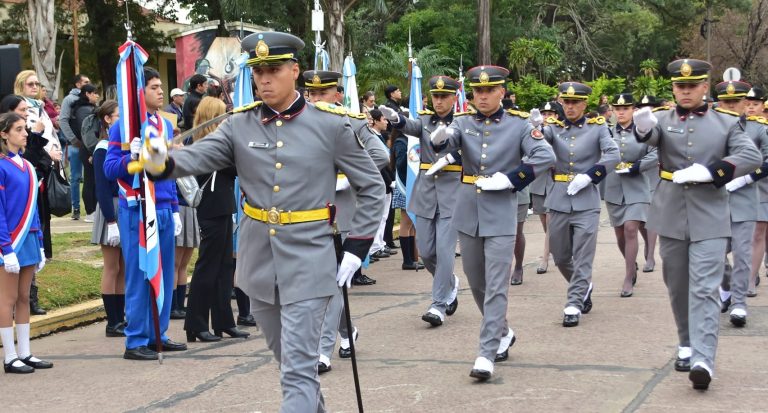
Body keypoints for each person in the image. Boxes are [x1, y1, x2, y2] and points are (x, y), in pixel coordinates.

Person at [138, 32, 383, 411]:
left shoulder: (332, 126)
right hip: (258, 259)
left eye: (273, 70)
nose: (264, 79)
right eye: (258, 71)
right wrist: (162, 162)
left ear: (295, 71)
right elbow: (200, 156)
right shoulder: (240, 124)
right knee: (288, 361)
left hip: (309, 257)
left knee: (298, 370)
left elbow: (372, 188)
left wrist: (357, 247)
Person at [633, 58, 762, 390]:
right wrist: (643, 128)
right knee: (677, 286)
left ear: (705, 87)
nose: (685, 91)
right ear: (673, 89)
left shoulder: (727, 122)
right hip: (670, 212)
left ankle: (704, 358)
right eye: (680, 86)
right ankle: (687, 342)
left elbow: (751, 157)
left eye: (692, 86)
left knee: (705, 288)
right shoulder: (662, 119)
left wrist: (713, 171)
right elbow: (647, 140)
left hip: (710, 214)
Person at [430, 65, 555, 380]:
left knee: (497, 285)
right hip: (469, 210)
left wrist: (511, 179)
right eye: (477, 91)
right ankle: (504, 331)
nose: (482, 96)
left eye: (489, 90)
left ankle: (487, 351)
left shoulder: (520, 125)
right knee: (477, 281)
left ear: (502, 92)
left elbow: (545, 156)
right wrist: (440, 139)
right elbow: (449, 142)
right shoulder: (462, 123)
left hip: (501, 211)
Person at [303, 70, 389, 374]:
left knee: (333, 282)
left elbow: (381, 155)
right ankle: (346, 331)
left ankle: (322, 349)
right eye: (310, 94)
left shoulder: (351, 122)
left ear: (337, 95)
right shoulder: (300, 125)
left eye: (322, 93)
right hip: (310, 215)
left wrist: (346, 174)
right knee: (322, 284)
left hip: (342, 214)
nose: (314, 99)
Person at [104, 67, 187, 361]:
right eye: (153, 87)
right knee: (140, 275)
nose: (161, 91)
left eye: (160, 86)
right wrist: (131, 156)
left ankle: (157, 333)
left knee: (163, 274)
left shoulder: (163, 125)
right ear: (140, 93)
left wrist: (175, 207)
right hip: (137, 208)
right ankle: (136, 338)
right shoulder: (123, 128)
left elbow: (166, 172)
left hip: (163, 206)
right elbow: (109, 169)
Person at [383, 75, 462, 326]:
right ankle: (450, 283)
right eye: (435, 96)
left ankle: (438, 304)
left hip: (452, 195)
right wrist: (396, 119)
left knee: (445, 251)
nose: (438, 101)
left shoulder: (463, 122)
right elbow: (411, 126)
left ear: (453, 98)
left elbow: (473, 146)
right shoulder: (426, 120)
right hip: (427, 193)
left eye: (444, 97)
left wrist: (452, 156)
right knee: (427, 252)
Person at [541, 81, 619, 328]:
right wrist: (532, 130)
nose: (571, 107)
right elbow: (539, 144)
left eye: (576, 102)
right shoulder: (553, 129)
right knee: (560, 255)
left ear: (585, 104)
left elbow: (613, 154)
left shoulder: (598, 128)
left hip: (586, 199)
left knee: (583, 255)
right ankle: (583, 284)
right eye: (567, 102)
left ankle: (574, 302)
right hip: (559, 197)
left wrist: (591, 175)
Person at [184, 96, 249, 342]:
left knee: (224, 267)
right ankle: (196, 323)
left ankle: (224, 321)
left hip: (222, 206)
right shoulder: (206, 143)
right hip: (210, 208)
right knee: (207, 267)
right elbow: (233, 167)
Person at [0, 112, 53, 374]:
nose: (25, 134)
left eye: (25, 129)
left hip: (30, 238)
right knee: (7, 299)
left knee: (23, 297)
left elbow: (34, 210)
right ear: (4, 134)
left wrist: (40, 242)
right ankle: (9, 357)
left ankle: (25, 352)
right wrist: (5, 249)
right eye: (19, 129)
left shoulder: (28, 166)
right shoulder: (0, 166)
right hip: (9, 242)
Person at [715, 81, 768, 326]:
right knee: (714, 252)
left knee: (742, 252)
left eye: (736, 102)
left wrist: (745, 178)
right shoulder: (711, 129)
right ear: (718, 103)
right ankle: (726, 288)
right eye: (726, 102)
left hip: (745, 197)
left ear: (745, 104)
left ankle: (738, 303)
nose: (731, 106)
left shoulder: (758, 129)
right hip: (714, 198)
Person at [603, 93, 657, 297]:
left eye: (625, 108)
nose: (621, 112)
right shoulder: (607, 132)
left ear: (633, 110)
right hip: (614, 187)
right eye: (617, 109)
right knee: (619, 234)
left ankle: (628, 278)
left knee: (631, 228)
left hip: (637, 185)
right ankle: (631, 263)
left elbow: (656, 152)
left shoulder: (643, 131)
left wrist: (637, 167)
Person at [90, 100, 125, 336]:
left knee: (123, 267)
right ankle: (112, 321)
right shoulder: (103, 147)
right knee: (111, 266)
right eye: (118, 115)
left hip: (123, 205)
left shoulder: (119, 145)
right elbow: (102, 188)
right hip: (110, 209)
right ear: (108, 119)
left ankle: (121, 318)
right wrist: (111, 221)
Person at [529, 101, 560, 274]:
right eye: (545, 114)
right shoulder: (535, 131)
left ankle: (545, 259)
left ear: (556, 116)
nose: (548, 117)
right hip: (539, 180)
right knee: (543, 220)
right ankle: (554, 246)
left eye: (551, 114)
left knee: (550, 219)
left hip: (555, 179)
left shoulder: (560, 130)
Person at [744, 87, 768, 296]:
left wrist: (752, 174)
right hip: (734, 187)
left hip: (761, 186)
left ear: (762, 106)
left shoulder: (763, 128)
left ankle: (751, 279)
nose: (751, 108)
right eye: (748, 103)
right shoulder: (733, 125)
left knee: (758, 232)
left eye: (755, 104)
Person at [635, 95, 661, 272]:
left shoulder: (662, 124)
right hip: (638, 175)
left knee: (652, 215)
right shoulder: (637, 126)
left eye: (650, 107)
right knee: (640, 219)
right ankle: (647, 242)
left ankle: (650, 255)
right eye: (643, 107)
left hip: (657, 173)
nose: (647, 110)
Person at [59, 74, 90, 220]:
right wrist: (73, 139)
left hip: (89, 145)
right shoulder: (69, 100)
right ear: (78, 84)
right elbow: (63, 121)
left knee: (90, 177)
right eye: (86, 82)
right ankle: (76, 208)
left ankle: (92, 208)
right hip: (76, 145)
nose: (88, 84)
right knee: (76, 177)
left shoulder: (89, 99)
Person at [70, 84, 100, 223]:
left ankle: (94, 209)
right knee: (89, 180)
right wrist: (91, 152)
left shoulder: (88, 109)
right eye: (95, 93)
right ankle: (90, 211)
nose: (97, 96)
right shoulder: (84, 110)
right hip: (88, 148)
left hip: (89, 147)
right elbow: (87, 134)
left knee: (93, 180)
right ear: (87, 94)